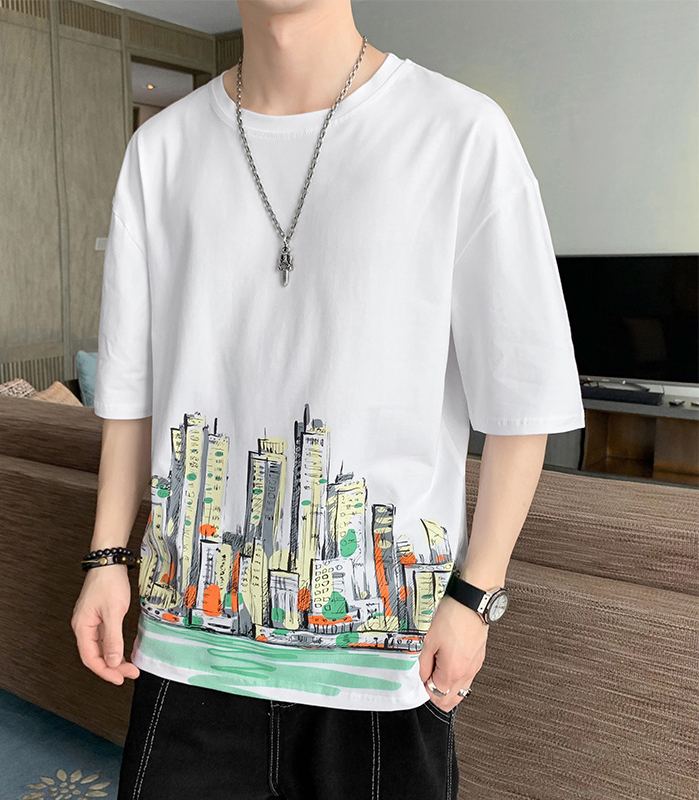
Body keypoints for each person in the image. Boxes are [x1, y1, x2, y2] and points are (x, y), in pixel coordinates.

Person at [71, 1, 585, 798]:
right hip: (188, 654)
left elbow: (525, 396)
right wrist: (107, 558)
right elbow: (131, 390)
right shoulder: (160, 150)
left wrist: (475, 596)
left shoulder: (460, 133)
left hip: (388, 671)